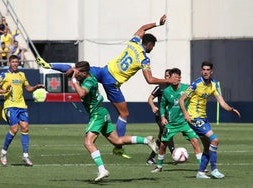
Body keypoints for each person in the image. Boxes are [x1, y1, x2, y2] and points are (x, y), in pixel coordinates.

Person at [36, 14, 175, 159]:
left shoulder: (134, 42)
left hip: (104, 70)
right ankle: (119, 147)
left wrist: (158, 23)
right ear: (149, 45)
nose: (153, 48)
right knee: (124, 114)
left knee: (77, 70)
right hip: (112, 82)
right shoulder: (144, 59)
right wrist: (169, 81)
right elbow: (150, 79)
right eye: (153, 46)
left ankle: (49, 65)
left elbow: (142, 28)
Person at [70, 60, 158, 182]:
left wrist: (73, 80)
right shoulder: (86, 77)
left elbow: (82, 93)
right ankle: (146, 140)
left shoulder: (89, 81)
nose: (76, 73)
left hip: (97, 114)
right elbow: (69, 72)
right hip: (102, 112)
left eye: (78, 72)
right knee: (117, 141)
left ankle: (102, 170)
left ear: (85, 73)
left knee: (88, 142)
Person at [179, 61, 241, 179]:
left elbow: (221, 102)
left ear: (211, 71)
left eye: (208, 70)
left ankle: (200, 173)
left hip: (204, 118)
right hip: (194, 118)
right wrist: (186, 114)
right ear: (201, 71)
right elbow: (182, 99)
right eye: (203, 69)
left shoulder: (214, 84)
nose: (205, 71)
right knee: (215, 140)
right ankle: (214, 169)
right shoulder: (195, 84)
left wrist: (231, 109)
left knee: (207, 147)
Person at [0, 55, 45, 166]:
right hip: (10, 105)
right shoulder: (4, 75)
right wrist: (4, 91)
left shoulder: (22, 75)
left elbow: (28, 88)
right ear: (9, 63)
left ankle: (25, 156)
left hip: (22, 105)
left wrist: (36, 86)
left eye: (17, 62)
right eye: (13, 62)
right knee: (14, 129)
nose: (15, 64)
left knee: (25, 128)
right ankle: (3, 152)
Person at [150, 68, 202, 173]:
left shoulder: (186, 88)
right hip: (171, 123)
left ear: (179, 78)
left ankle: (202, 167)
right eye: (172, 77)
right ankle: (159, 167)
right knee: (163, 144)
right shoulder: (166, 91)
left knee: (195, 141)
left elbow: (195, 97)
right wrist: (163, 117)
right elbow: (162, 106)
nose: (174, 79)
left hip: (184, 122)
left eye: (176, 77)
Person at [146, 69, 176, 165]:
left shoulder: (175, 88)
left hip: (170, 116)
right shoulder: (160, 87)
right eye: (165, 75)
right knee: (167, 133)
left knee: (162, 138)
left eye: (168, 76)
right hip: (160, 116)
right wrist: (153, 106)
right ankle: (175, 155)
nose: (166, 77)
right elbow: (150, 98)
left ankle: (150, 158)